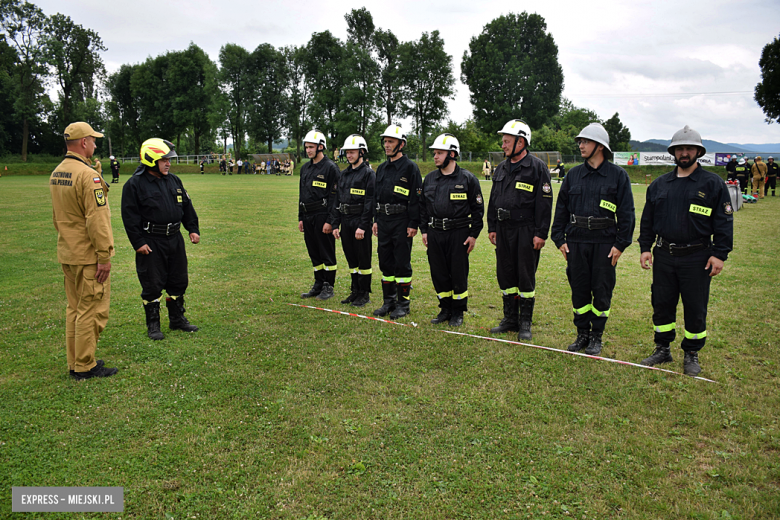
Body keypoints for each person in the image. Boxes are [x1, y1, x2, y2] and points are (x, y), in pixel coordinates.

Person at [638, 126, 733, 376]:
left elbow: (724, 222)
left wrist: (719, 254)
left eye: (689, 148)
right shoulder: (659, 185)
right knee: (662, 303)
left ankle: (691, 353)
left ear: (698, 151)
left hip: (697, 257)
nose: (684, 152)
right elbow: (647, 220)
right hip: (665, 255)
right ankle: (662, 348)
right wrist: (645, 248)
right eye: (680, 148)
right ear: (673, 152)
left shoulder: (713, 184)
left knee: (695, 306)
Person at [551, 123, 635, 355]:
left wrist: (620, 244)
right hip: (576, 242)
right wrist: (559, 239)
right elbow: (561, 209)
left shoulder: (618, 176)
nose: (581, 145)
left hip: (604, 244)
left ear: (599, 146)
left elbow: (627, 213)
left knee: (601, 290)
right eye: (580, 141)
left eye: (585, 141)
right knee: (579, 289)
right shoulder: (573, 175)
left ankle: (597, 336)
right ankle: (582, 334)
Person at [50, 122, 118, 380]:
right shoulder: (88, 176)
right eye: (93, 139)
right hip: (88, 257)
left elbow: (60, 216)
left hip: (68, 252)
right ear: (83, 143)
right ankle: (85, 365)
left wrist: (94, 173)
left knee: (75, 308)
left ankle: (75, 361)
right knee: (91, 310)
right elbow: (97, 219)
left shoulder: (58, 172)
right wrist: (104, 256)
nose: (96, 144)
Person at [121, 138, 201, 341]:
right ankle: (153, 325)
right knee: (152, 283)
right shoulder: (135, 185)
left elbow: (186, 206)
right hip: (151, 241)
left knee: (178, 280)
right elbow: (129, 217)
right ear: (150, 159)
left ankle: (177, 319)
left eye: (169, 160)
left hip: (175, 239)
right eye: (164, 159)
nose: (168, 163)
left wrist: (192, 228)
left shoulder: (174, 180)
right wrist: (138, 243)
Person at [487, 119, 553, 339]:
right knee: (505, 274)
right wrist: (492, 226)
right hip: (503, 229)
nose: (503, 145)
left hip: (525, 230)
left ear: (521, 141)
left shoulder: (537, 168)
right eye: (503, 141)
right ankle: (510, 319)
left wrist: (541, 233)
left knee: (525, 276)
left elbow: (544, 204)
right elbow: (493, 199)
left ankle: (525, 322)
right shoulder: (501, 168)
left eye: (507, 141)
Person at [420, 133, 484, 327]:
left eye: (439, 153)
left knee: (458, 273)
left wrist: (473, 235)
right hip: (435, 233)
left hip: (459, 234)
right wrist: (424, 230)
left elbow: (478, 210)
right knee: (438, 273)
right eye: (434, 153)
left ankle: (458, 311)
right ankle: (445, 308)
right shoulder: (430, 179)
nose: (435, 157)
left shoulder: (468, 179)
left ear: (452, 154)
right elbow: (422, 207)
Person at [372, 124, 423, 319]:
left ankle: (403, 304)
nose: (386, 145)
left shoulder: (410, 168)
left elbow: (417, 197)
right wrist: (376, 219)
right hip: (383, 221)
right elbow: (377, 196)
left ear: (401, 144)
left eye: (390, 141)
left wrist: (413, 223)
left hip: (402, 221)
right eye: (385, 141)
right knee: (385, 261)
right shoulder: (382, 168)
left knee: (401, 262)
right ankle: (388, 302)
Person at [328, 134, 376, 307]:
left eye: (352, 152)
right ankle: (355, 290)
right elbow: (337, 200)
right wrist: (335, 224)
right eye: (347, 152)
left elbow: (370, 202)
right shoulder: (344, 174)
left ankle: (364, 293)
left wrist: (363, 226)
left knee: (363, 260)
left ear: (361, 152)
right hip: (346, 221)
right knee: (351, 259)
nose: (349, 155)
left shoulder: (368, 174)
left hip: (360, 222)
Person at [298, 130, 341, 300]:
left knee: (326, 251)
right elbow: (301, 194)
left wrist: (331, 220)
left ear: (321, 147)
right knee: (314, 251)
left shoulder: (330, 168)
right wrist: (300, 217)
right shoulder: (305, 168)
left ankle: (328, 286)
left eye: (311, 147)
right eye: (307, 147)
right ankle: (318, 283)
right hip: (308, 215)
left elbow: (335, 196)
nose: (308, 150)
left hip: (323, 215)